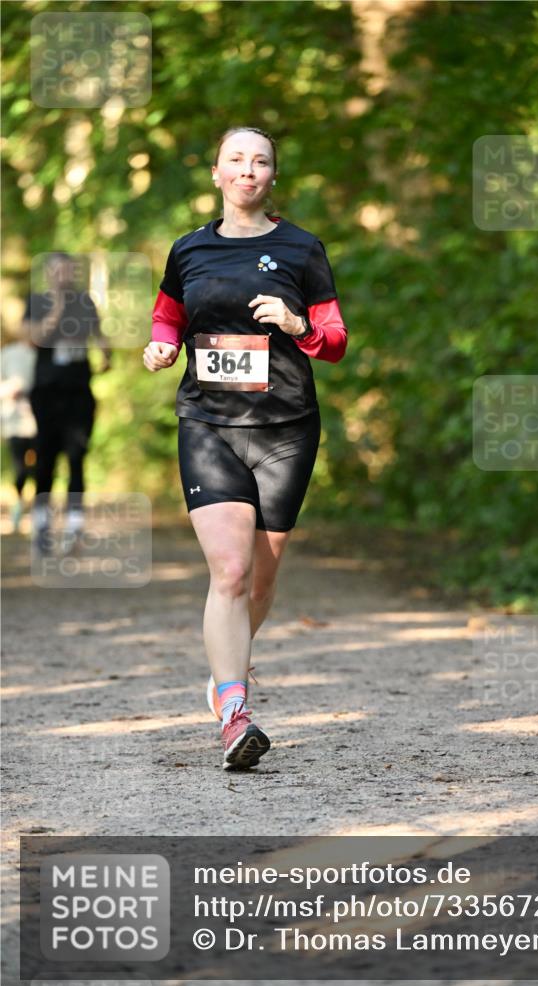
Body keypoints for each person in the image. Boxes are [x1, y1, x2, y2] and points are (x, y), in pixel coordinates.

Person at [143, 126, 348, 770]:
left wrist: (297, 324)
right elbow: (169, 314)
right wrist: (162, 345)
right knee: (228, 572)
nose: (247, 170)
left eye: (260, 161)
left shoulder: (301, 248)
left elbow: (336, 339)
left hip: (287, 428)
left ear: (272, 177)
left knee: (260, 579)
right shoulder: (189, 249)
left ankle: (223, 665)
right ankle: (235, 709)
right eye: (235, 159)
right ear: (216, 173)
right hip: (208, 423)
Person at [20, 252, 112, 554]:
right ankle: (42, 528)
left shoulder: (84, 301)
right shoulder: (37, 301)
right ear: (49, 274)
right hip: (47, 394)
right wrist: (57, 309)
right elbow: (32, 340)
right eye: (59, 271)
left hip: (78, 392)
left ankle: (74, 529)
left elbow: (99, 335)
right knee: (45, 459)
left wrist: (106, 354)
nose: (65, 276)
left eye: (69, 270)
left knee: (76, 456)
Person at [0, 334, 37, 531]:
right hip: (14, 422)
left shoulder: (41, 355)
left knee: (39, 467)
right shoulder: (7, 354)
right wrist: (9, 390)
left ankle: (37, 510)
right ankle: (19, 503)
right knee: (20, 468)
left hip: (38, 421)